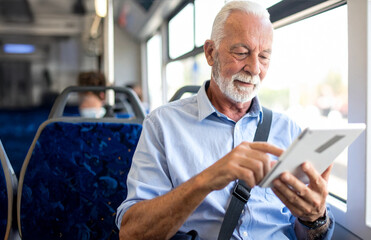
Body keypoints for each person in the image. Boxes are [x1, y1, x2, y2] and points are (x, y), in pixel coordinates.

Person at [116, 1, 335, 240]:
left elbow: (309, 234)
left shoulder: (289, 129)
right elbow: (132, 233)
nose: (254, 68)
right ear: (211, 53)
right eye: (241, 53)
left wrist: (315, 218)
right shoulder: (163, 125)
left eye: (263, 57)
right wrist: (207, 180)